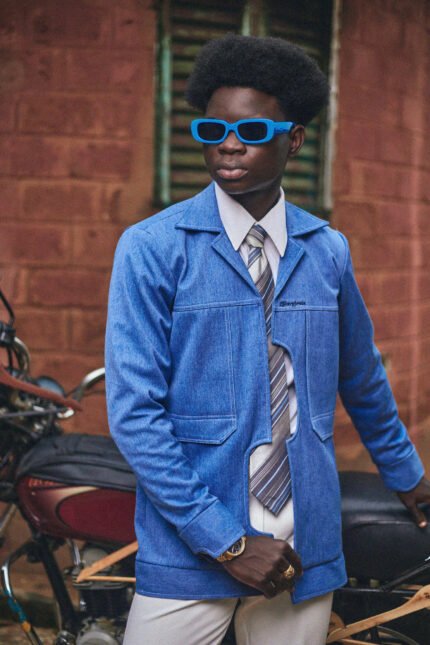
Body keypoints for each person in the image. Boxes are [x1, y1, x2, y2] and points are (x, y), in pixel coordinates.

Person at [105, 35, 430, 645]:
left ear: (295, 139)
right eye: (213, 130)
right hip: (189, 547)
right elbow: (134, 416)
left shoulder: (326, 251)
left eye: (252, 131)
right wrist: (226, 542)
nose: (228, 145)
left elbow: (361, 377)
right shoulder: (152, 248)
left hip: (303, 548)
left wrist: (407, 474)